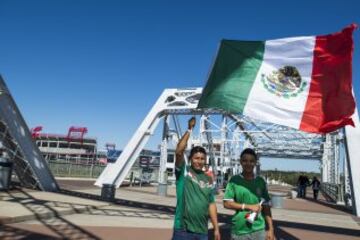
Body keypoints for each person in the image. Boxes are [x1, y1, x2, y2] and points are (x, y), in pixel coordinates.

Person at [172, 117, 221, 240]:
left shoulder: (208, 178)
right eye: (196, 158)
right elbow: (179, 152)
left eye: (202, 159)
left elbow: (211, 204)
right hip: (183, 230)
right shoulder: (184, 172)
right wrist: (189, 129)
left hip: (202, 231)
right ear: (190, 159)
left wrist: (216, 228)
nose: (199, 161)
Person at [223, 148, 274, 240]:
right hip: (239, 230)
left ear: (255, 163)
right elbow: (226, 203)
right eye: (245, 161)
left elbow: (266, 207)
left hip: (258, 229)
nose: (248, 164)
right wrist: (247, 206)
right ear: (241, 162)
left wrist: (271, 229)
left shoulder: (260, 181)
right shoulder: (234, 181)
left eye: (251, 161)